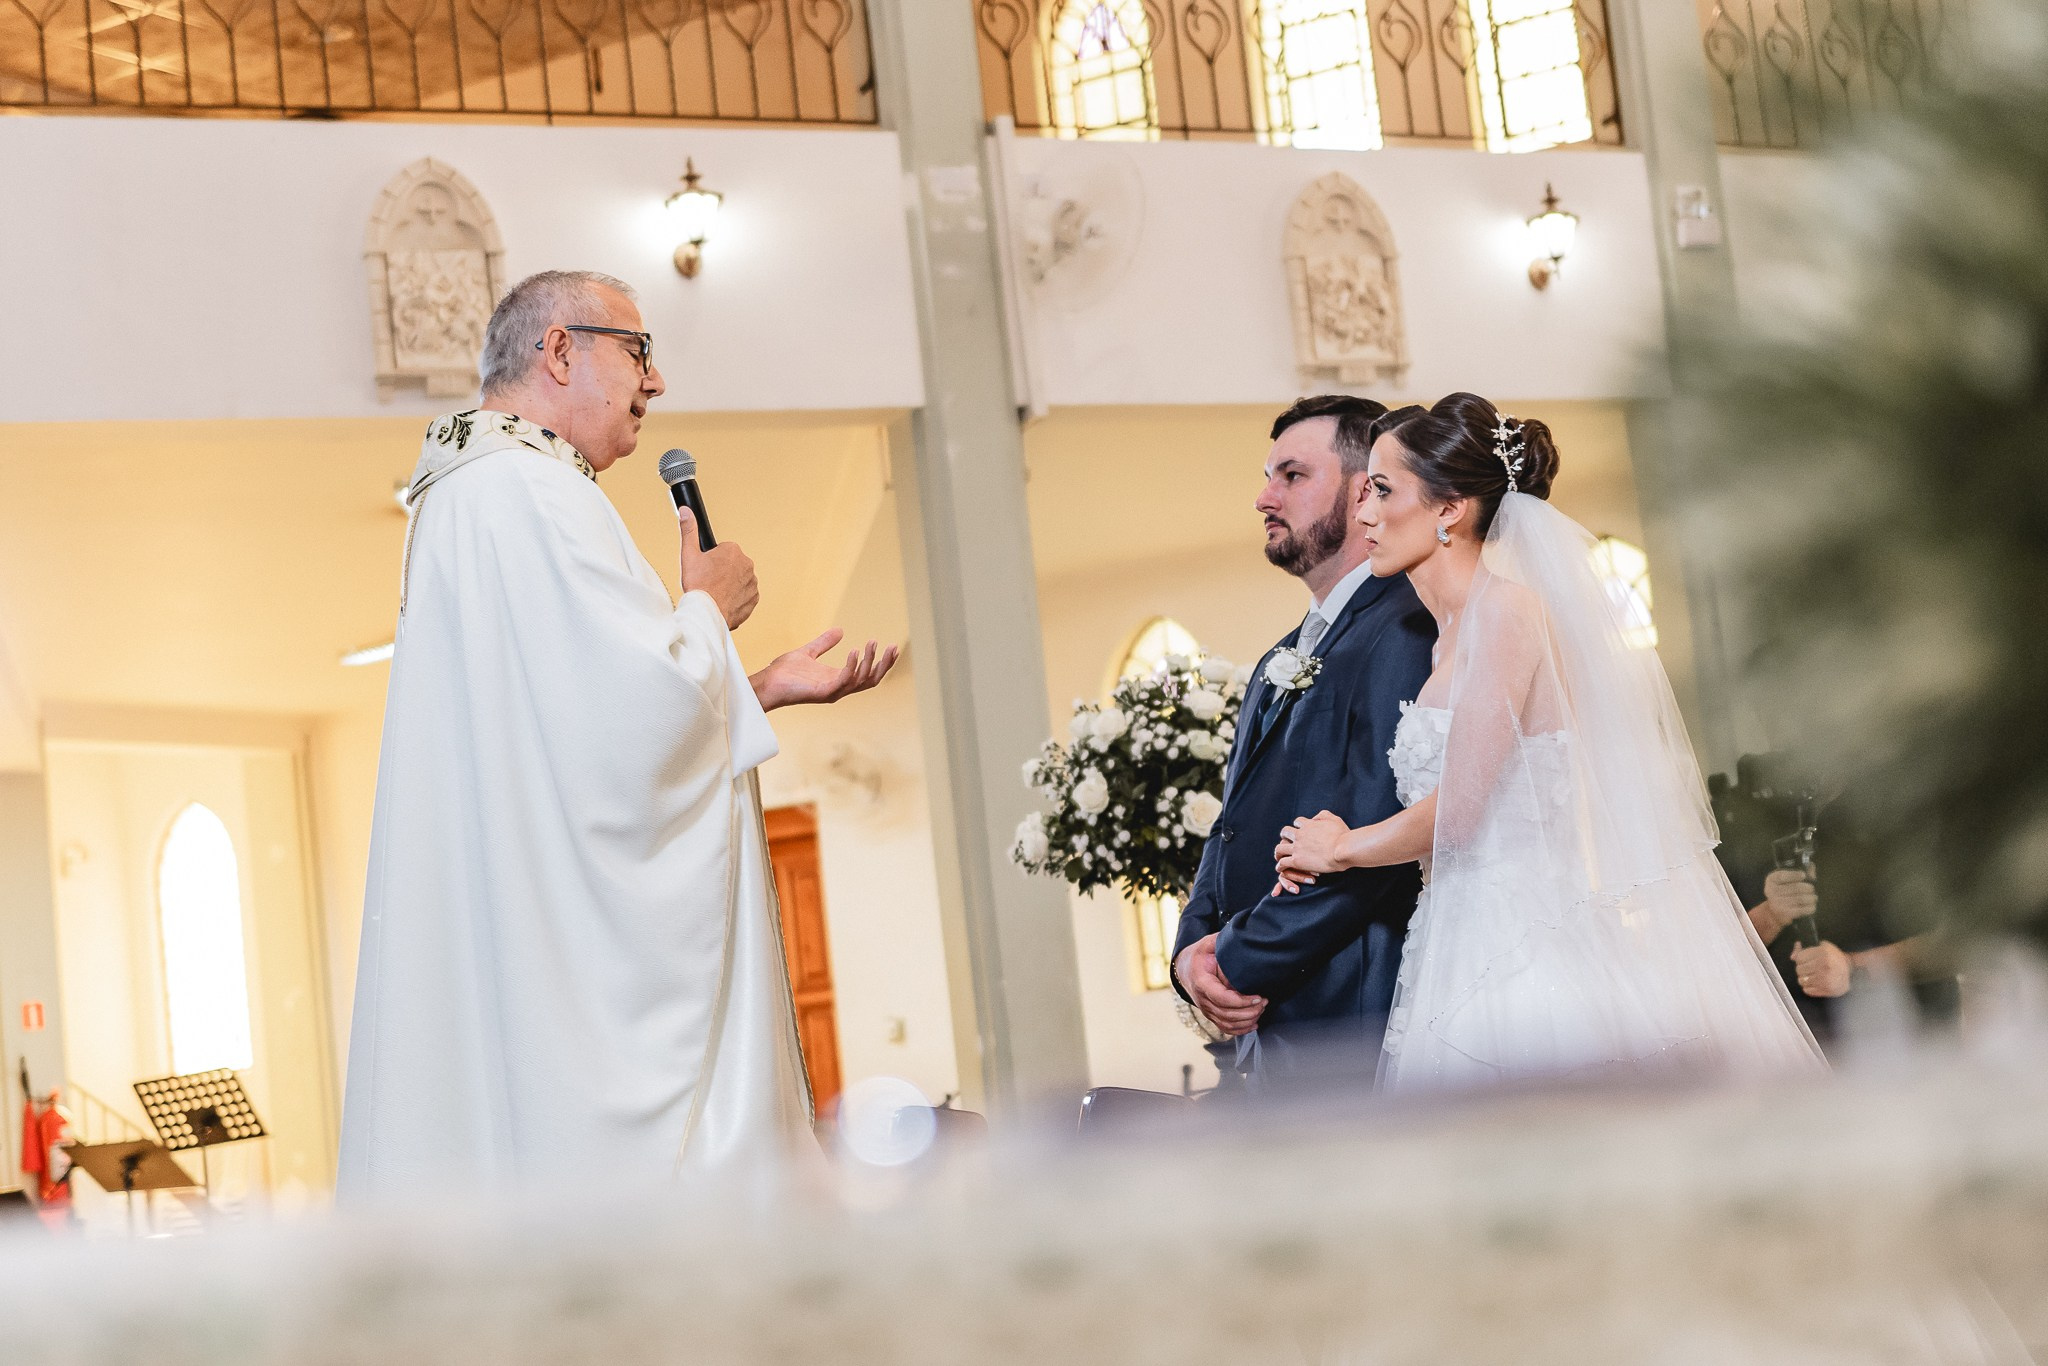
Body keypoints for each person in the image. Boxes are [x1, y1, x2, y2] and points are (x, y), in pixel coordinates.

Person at [339, 271, 898, 1201]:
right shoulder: (532, 494)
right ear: (559, 350)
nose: (657, 381)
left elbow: (587, 740)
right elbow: (631, 737)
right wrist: (708, 610)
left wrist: (755, 687)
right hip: (575, 997)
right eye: (639, 351)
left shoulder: (473, 493)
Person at [1275, 394, 1824, 1090]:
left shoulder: (1507, 612)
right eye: (1363, 494)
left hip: (1523, 950)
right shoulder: (1443, 638)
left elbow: (1463, 811)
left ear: (1448, 509)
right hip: (1452, 934)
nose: (1365, 514)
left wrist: (1341, 847)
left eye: (1382, 491)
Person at [1169, 395, 1435, 1092]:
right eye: (1267, 476)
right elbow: (1227, 833)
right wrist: (1189, 959)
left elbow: (1380, 836)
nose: (1264, 497)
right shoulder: (1274, 660)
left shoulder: (1406, 629)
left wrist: (1234, 958)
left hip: (1348, 1015)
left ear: (1362, 490)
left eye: (1291, 475)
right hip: (1268, 1030)